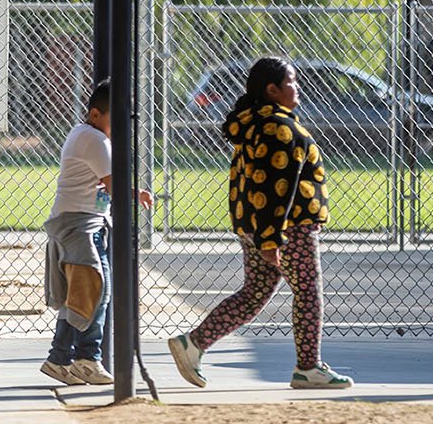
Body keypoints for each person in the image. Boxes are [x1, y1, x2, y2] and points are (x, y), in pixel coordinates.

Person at [167, 57, 353, 391]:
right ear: (272, 89)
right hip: (287, 228)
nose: (297, 87)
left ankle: (192, 344)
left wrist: (261, 235)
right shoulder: (278, 129)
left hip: (258, 226)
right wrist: (271, 240)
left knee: (255, 293)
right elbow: (275, 188)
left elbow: (258, 184)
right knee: (308, 293)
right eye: (292, 81)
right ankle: (308, 367)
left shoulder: (256, 124)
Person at [39, 79, 153, 386]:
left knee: (85, 293)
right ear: (94, 114)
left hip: (82, 223)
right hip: (79, 225)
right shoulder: (94, 139)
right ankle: (77, 358)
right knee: (94, 290)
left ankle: (70, 358)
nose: (122, 124)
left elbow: (107, 185)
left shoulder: (87, 135)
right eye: (116, 117)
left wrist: (134, 192)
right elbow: (112, 186)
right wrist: (134, 194)